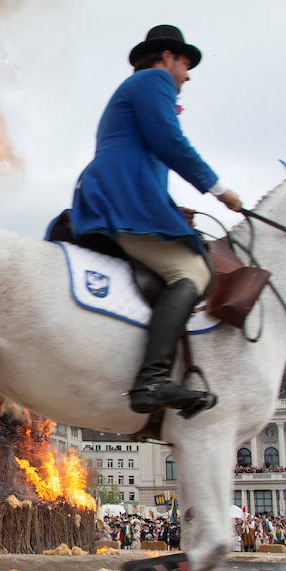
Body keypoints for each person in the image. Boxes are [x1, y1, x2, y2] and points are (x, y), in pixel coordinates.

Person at [71, 25, 243, 416]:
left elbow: (149, 157)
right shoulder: (154, 80)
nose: (188, 73)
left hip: (126, 191)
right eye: (185, 62)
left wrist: (170, 208)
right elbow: (171, 143)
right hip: (123, 195)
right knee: (192, 272)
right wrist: (219, 189)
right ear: (167, 57)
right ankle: (152, 378)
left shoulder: (140, 88)